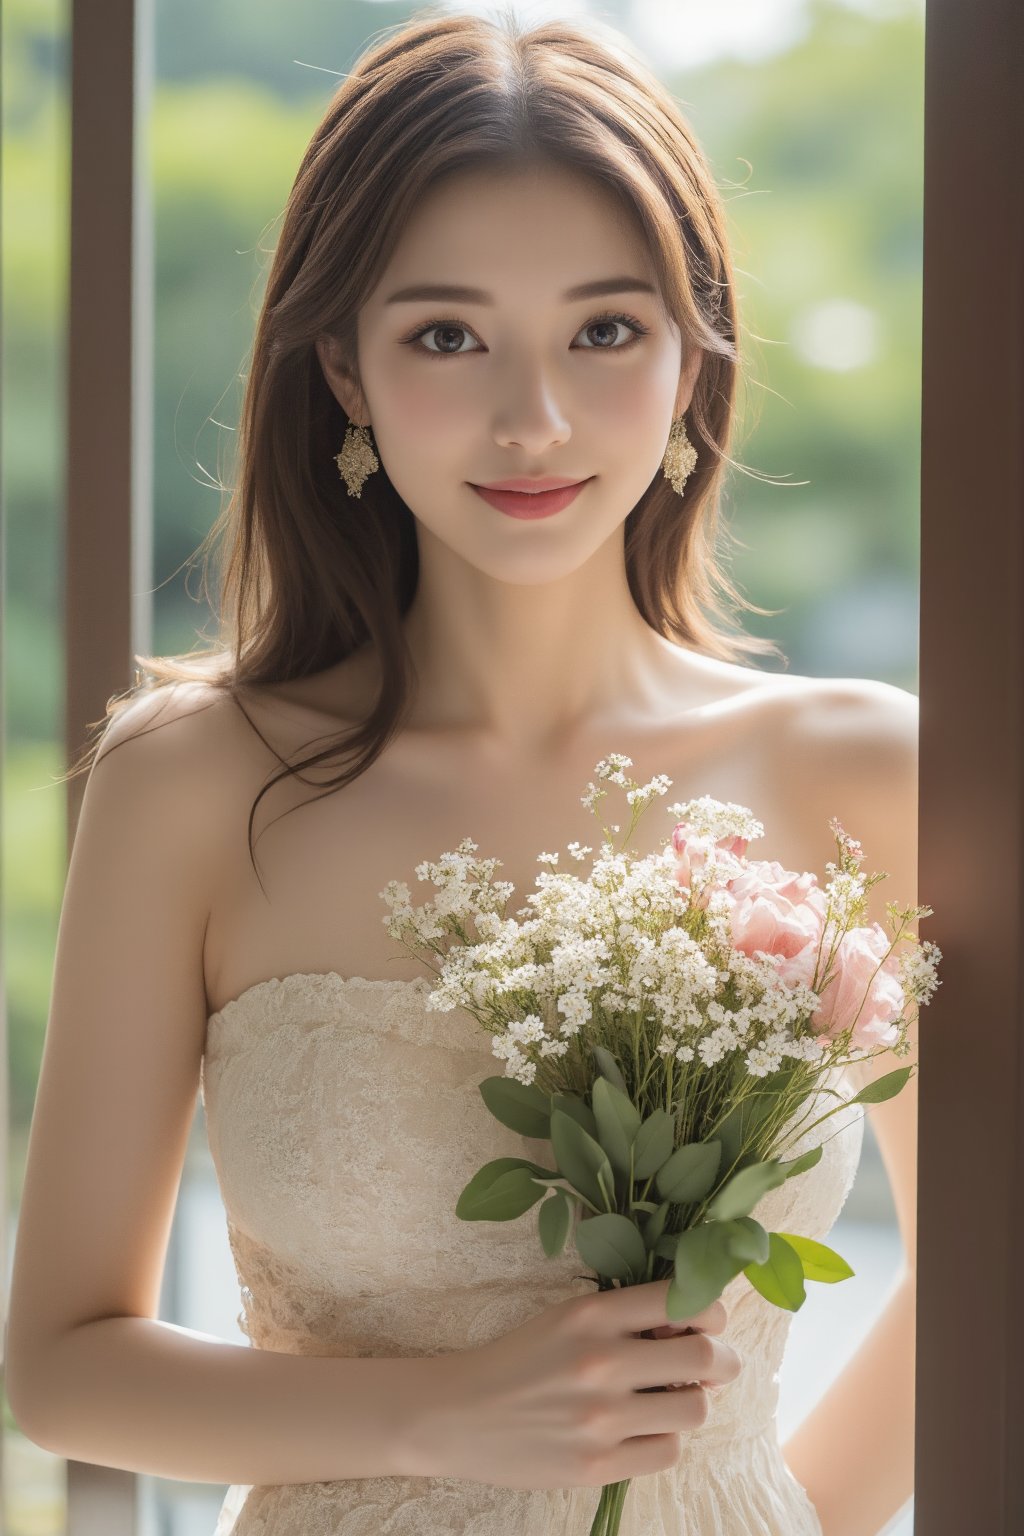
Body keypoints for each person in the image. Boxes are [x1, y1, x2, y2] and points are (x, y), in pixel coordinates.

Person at [6, 6, 918, 1533]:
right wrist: (445, 1415)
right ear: (345, 372)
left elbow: (987, 1276)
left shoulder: (864, 771)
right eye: (446, 335)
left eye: (605, 331)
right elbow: (61, 1366)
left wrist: (762, 1510)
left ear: (695, 360)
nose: (533, 416)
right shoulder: (193, 787)